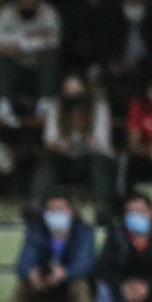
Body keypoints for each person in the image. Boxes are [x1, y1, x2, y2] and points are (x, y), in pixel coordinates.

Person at [2, 193, 97, 302]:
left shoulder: (84, 232)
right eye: (51, 210)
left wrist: (65, 273)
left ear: (72, 212)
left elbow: (86, 264)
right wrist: (32, 273)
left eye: (61, 209)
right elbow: (23, 263)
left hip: (69, 291)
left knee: (81, 286)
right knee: (22, 287)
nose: (56, 214)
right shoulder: (36, 230)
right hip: (43, 288)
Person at [32, 73, 116, 216]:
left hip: (90, 157)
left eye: (76, 90)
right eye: (69, 89)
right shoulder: (56, 107)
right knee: (47, 162)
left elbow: (102, 142)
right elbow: (49, 138)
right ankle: (36, 205)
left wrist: (87, 142)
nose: (72, 94)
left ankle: (103, 209)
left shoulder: (98, 108)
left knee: (100, 164)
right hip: (64, 158)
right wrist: (59, 145)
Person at [0, 0, 63, 121]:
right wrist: (25, 44)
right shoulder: (6, 13)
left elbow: (54, 41)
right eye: (24, 0)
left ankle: (45, 103)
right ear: (17, 1)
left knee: (51, 54)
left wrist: (23, 45)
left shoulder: (47, 12)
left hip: (39, 71)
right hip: (15, 71)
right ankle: (4, 104)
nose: (28, 3)